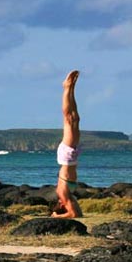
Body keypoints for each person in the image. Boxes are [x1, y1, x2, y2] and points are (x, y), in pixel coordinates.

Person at [52, 70, 83, 218]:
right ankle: (71, 89)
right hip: (71, 158)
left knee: (68, 119)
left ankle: (67, 88)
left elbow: (74, 215)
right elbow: (78, 213)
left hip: (67, 158)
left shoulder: (62, 194)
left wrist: (56, 216)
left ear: (62, 205)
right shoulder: (68, 195)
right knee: (75, 118)